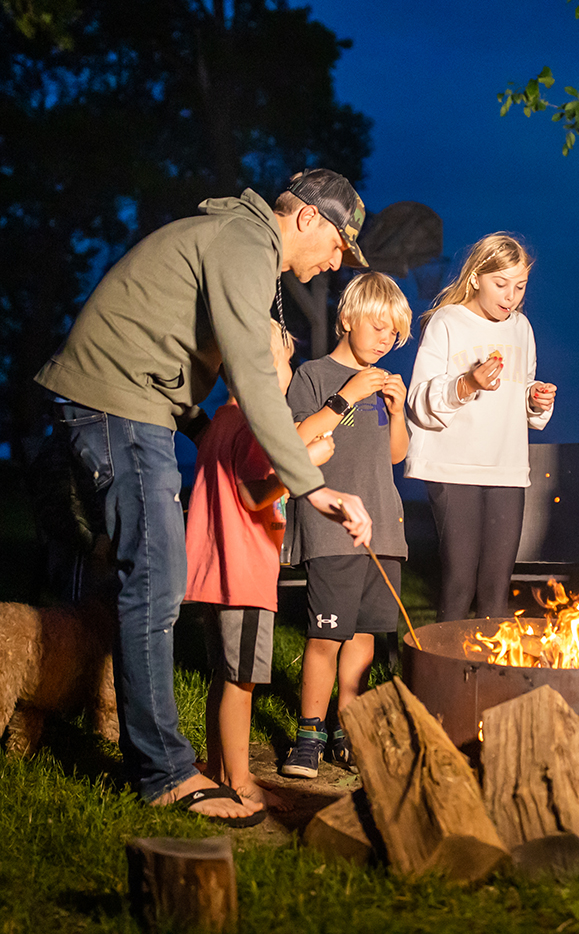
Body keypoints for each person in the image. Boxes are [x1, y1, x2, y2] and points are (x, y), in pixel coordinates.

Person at [35, 168, 374, 823]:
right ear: (307, 218)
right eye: (337, 245)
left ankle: (120, 727)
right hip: (119, 405)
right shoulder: (245, 243)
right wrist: (312, 486)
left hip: (135, 407)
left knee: (145, 579)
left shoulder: (237, 243)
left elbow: (190, 362)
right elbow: (251, 375)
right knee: (155, 580)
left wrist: (193, 423)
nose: (335, 262)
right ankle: (163, 771)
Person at [184, 321, 333, 811]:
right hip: (243, 575)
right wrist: (303, 469)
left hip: (214, 572)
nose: (289, 370)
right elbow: (254, 493)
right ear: (264, 369)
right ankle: (241, 781)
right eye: (286, 361)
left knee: (224, 677)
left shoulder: (222, 420)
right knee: (242, 683)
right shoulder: (251, 425)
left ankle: (217, 766)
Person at [281, 272, 412, 777]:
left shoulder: (384, 386)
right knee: (326, 635)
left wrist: (397, 414)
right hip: (332, 527)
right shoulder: (313, 375)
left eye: (394, 334)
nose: (386, 340)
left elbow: (394, 456)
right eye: (379, 327)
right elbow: (295, 437)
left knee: (364, 637)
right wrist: (349, 394)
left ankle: (347, 725)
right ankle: (308, 735)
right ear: (347, 318)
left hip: (383, 530)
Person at [405, 233, 556, 622]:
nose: (511, 296)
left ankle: (491, 677)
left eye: (520, 286)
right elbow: (419, 398)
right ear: (475, 278)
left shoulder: (521, 328)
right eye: (501, 284)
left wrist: (535, 400)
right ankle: (443, 676)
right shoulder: (447, 322)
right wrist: (468, 383)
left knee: (496, 587)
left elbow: (518, 399)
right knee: (459, 582)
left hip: (505, 467)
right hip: (452, 467)